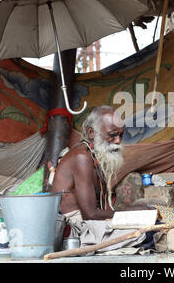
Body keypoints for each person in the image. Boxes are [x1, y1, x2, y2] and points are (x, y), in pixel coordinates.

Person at [51, 105, 157, 251]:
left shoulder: (93, 155)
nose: (118, 141)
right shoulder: (81, 157)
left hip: (91, 223)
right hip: (75, 230)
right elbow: (90, 214)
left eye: (121, 135)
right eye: (112, 134)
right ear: (91, 132)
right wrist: (131, 214)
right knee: (148, 232)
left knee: (152, 222)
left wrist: (133, 211)